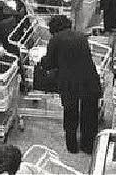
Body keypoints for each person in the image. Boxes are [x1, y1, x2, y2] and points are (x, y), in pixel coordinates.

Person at [40, 15, 101, 154]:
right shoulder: (81, 36)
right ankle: (88, 145)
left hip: (69, 83)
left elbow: (49, 63)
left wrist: (42, 62)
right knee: (89, 113)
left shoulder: (55, 40)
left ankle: (72, 145)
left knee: (71, 112)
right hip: (88, 78)